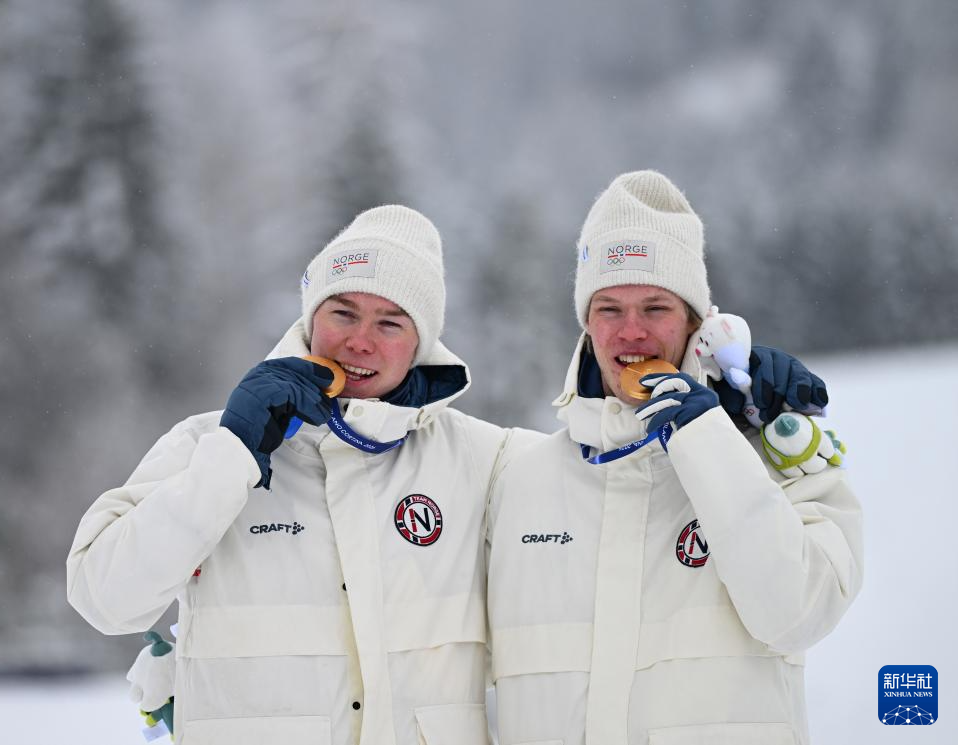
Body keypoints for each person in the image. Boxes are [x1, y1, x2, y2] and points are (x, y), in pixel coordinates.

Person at [67, 205, 531, 745]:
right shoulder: (206, 443)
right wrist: (233, 454)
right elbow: (106, 602)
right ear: (311, 319)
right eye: (343, 313)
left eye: (390, 323)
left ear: (421, 343)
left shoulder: (486, 460)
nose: (360, 341)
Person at [486, 171, 862, 745]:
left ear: (696, 320)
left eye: (655, 307)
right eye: (609, 308)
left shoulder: (780, 448)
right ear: (586, 323)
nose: (631, 332)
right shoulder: (521, 478)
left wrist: (708, 440)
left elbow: (798, 615)